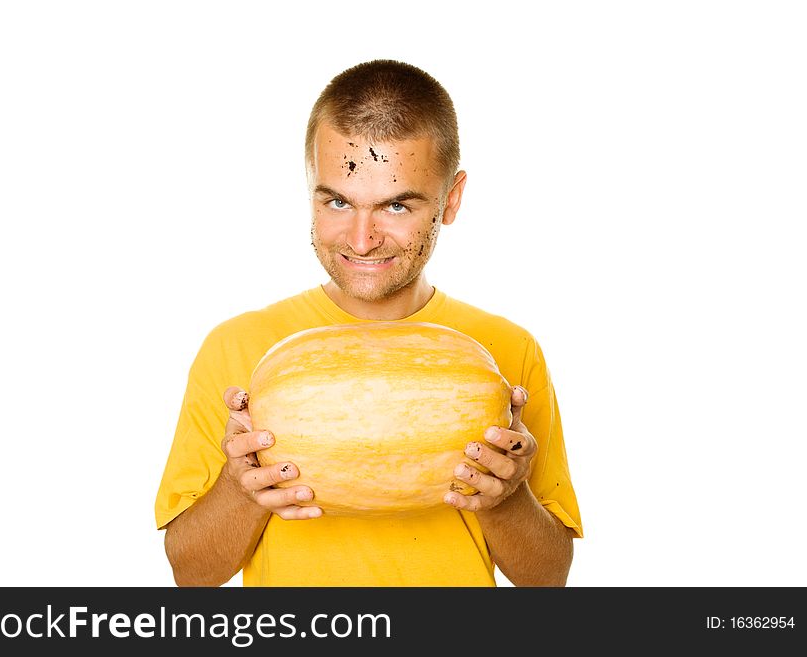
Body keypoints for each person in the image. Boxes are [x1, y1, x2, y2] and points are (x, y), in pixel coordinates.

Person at [154, 59, 583, 587]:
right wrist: (240, 488)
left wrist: (505, 498)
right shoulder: (235, 348)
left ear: (450, 199)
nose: (361, 240)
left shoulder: (508, 349)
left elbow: (550, 579)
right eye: (337, 200)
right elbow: (190, 575)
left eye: (396, 207)